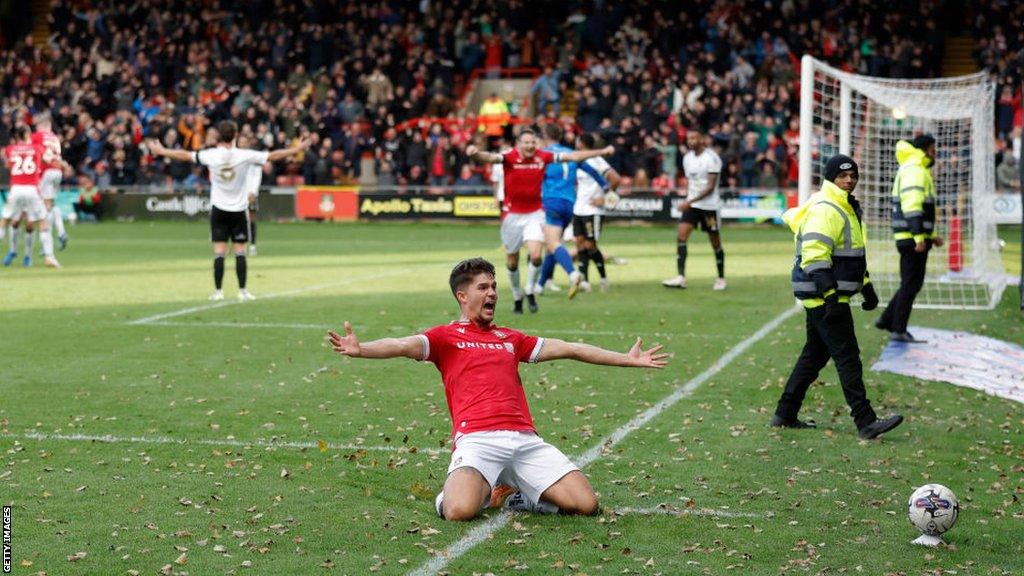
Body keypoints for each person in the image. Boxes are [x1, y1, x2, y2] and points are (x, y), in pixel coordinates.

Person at [327, 257, 668, 520]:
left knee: (586, 505)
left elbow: (571, 348)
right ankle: (460, 490)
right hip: (477, 440)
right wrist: (362, 349)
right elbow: (401, 344)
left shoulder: (511, 338)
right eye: (482, 287)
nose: (491, 293)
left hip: (524, 440)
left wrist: (627, 359)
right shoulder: (445, 337)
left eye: (493, 286)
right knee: (458, 512)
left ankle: (516, 495)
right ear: (462, 296)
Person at [773, 154, 903, 440]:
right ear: (831, 178)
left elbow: (850, 256)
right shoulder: (827, 207)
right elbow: (815, 255)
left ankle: (784, 413)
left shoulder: (845, 206)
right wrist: (831, 296)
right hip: (824, 297)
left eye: (853, 176)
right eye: (843, 176)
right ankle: (865, 421)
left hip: (824, 295)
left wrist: (866, 287)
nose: (849, 180)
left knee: (814, 356)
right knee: (848, 357)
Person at [146, 120, 309, 301]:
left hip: (219, 209)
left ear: (218, 136)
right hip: (239, 209)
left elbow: (185, 155)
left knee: (219, 252)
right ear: (235, 135)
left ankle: (218, 291)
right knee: (240, 251)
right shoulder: (244, 155)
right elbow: (273, 156)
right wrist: (296, 149)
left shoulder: (211, 155)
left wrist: (162, 151)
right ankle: (243, 290)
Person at [465, 128, 613, 314]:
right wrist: (476, 153)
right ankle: (517, 296)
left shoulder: (543, 156)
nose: (530, 146)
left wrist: (601, 151)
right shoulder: (509, 157)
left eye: (533, 142)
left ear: (537, 143)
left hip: (535, 214)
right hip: (512, 216)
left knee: (536, 255)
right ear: (519, 144)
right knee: (512, 260)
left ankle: (530, 291)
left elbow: (573, 156)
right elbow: (489, 158)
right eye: (526, 142)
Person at [875, 134, 943, 343]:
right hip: (912, 238)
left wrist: (931, 236)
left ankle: (887, 319)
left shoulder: (913, 168)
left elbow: (920, 207)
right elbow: (912, 205)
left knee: (910, 282)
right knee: (911, 284)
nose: (935, 154)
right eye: (933, 150)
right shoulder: (915, 170)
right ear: (924, 150)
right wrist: (919, 237)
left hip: (912, 236)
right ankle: (898, 328)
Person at [535, 123, 609, 298]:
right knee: (554, 244)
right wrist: (605, 189)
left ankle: (573, 274)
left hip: (552, 201)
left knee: (553, 243)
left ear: (545, 136)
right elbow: (594, 173)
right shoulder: (571, 154)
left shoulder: (545, 155)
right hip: (570, 204)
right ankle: (539, 285)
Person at [662, 129, 727, 290]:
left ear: (702, 139)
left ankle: (720, 278)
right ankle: (680, 277)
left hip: (709, 206)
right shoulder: (687, 158)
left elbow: (710, 187)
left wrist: (689, 201)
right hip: (692, 205)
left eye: (694, 138)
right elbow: (692, 183)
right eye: (688, 138)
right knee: (681, 236)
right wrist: (689, 200)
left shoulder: (712, 159)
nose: (690, 141)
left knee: (715, 241)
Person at [1, 125, 59, 268]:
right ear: (27, 134)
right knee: (43, 221)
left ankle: (25, 255)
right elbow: (49, 159)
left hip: (15, 189)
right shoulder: (37, 148)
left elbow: (9, 164)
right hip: (32, 188)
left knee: (4, 222)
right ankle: (48, 257)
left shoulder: (10, 149)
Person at [573, 133, 621, 292]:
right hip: (578, 208)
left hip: (593, 210)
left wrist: (604, 198)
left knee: (590, 245)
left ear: (581, 143)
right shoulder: (577, 159)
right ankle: (585, 281)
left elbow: (616, 179)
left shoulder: (597, 161)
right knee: (580, 243)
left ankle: (603, 278)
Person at [32, 114, 70, 253]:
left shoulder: (38, 136)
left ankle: (46, 244)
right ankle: (61, 232)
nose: (35, 129)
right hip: (57, 171)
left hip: (47, 172)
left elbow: (36, 152)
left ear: (42, 126)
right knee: (51, 204)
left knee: (44, 206)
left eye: (37, 126)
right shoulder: (54, 138)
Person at [237, 134, 263, 257]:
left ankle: (252, 245)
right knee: (235, 218)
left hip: (251, 193)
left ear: (248, 143)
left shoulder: (254, 157)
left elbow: (257, 175)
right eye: (240, 142)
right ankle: (238, 244)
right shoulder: (233, 156)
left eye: (244, 142)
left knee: (251, 218)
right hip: (237, 192)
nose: (242, 144)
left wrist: (253, 191)